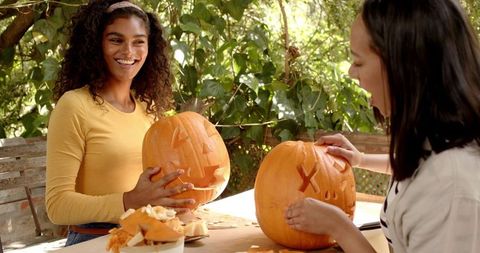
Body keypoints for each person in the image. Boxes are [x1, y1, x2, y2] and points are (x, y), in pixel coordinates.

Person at [285, 0, 480, 252]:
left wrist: (339, 227)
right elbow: (417, 166)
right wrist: (360, 158)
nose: (350, 73)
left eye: (359, 62)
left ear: (403, 66)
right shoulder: (441, 138)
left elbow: (433, 181)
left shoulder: (449, 192)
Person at [45, 0, 194, 246]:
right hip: (93, 241)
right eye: (116, 40)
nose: (128, 52)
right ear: (96, 44)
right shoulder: (73, 106)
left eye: (138, 42)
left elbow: (152, 187)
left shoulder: (149, 110)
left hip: (148, 237)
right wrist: (127, 201)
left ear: (150, 48)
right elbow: (57, 206)